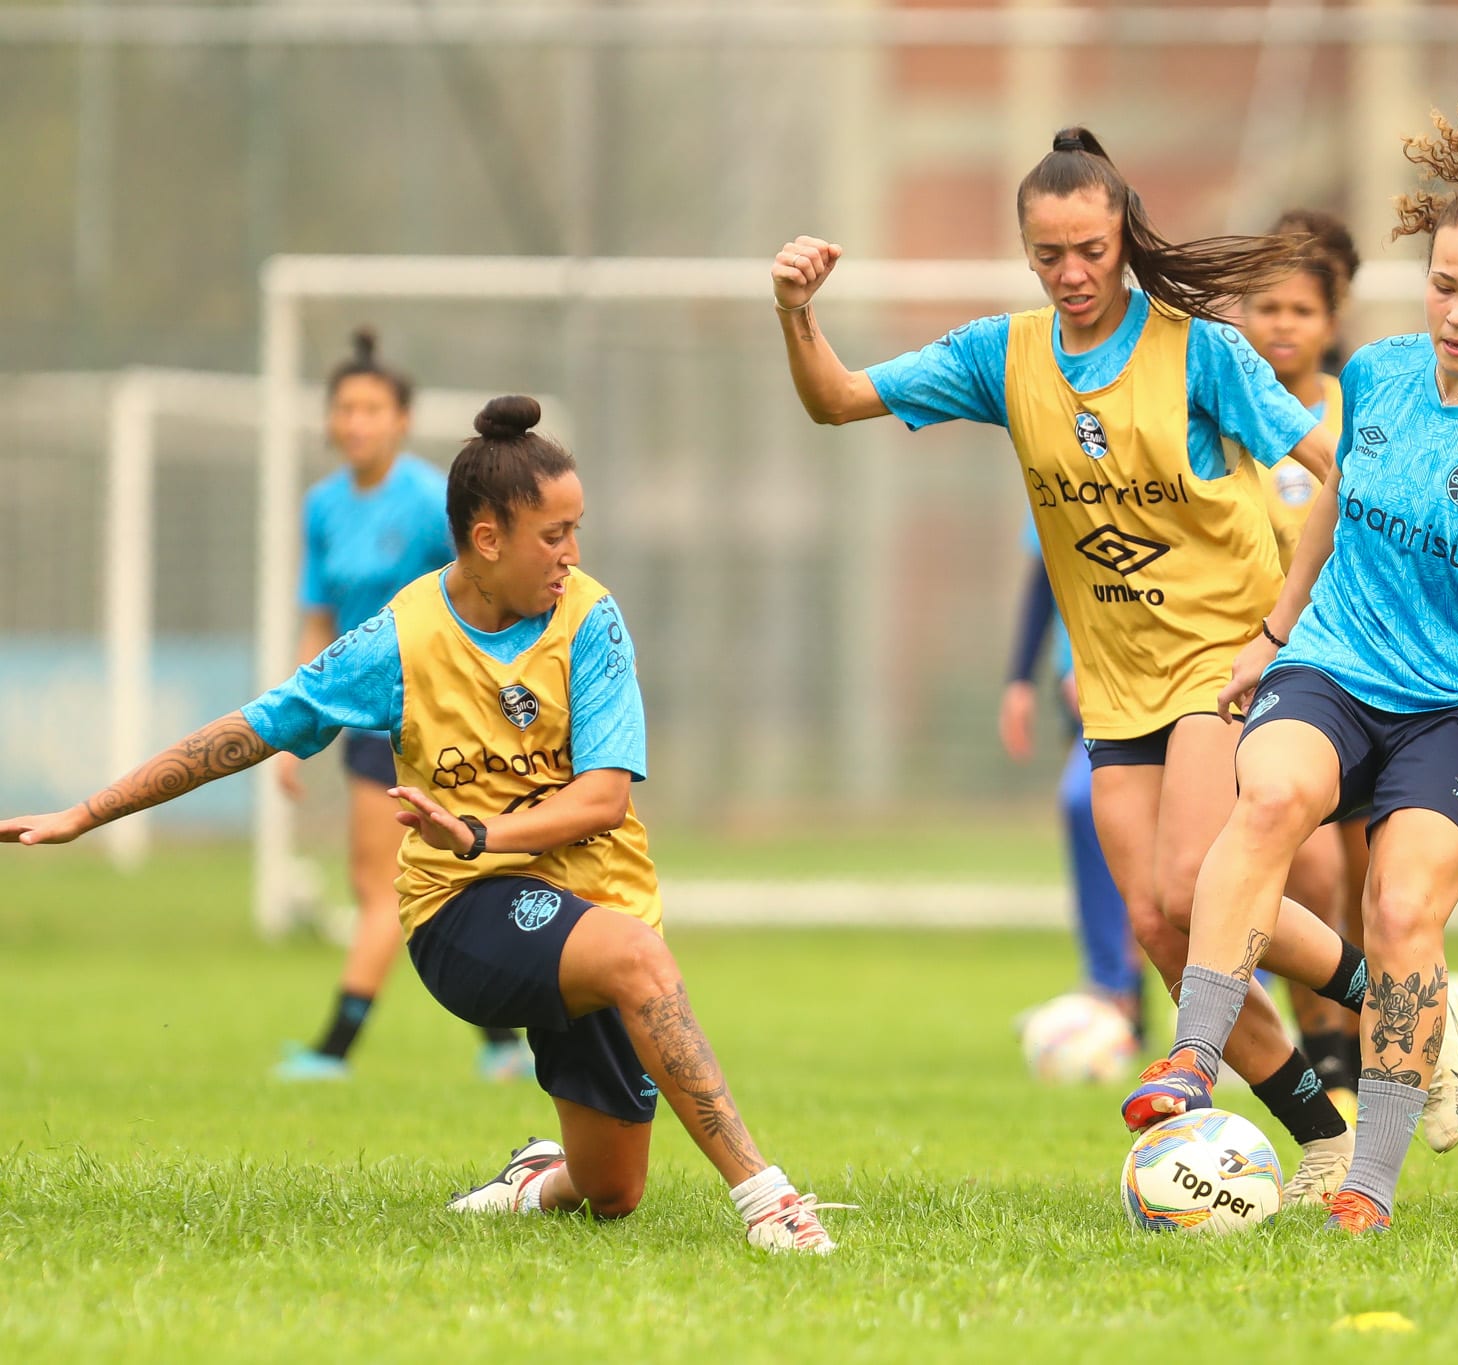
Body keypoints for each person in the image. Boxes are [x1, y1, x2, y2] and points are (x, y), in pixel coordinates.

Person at [3, 397, 842, 1253]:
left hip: (587, 901)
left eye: (576, 529)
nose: (572, 554)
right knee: (635, 957)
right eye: (553, 535)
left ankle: (534, 1181)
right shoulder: (400, 638)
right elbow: (255, 725)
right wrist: (90, 811)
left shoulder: (591, 618)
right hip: (462, 909)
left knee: (612, 1189)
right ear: (487, 539)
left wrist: (479, 828)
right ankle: (768, 1201)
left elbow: (603, 800)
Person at [773, 127, 1370, 1201]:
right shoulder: (999, 355)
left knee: (1197, 885)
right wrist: (795, 313)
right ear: (1026, 252)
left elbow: (1329, 466)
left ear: (1123, 236)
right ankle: (1320, 1133)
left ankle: (1390, 1002)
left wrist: (1316, 614)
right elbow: (834, 399)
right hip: (1115, 682)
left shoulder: (1199, 351)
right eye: (1048, 254)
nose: (1072, 273)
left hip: (1224, 659)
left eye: (1090, 249)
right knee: (1153, 921)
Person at [1123, 106, 1458, 1235]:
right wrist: (1271, 634)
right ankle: (1193, 1063)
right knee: (1272, 798)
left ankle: (1367, 1189)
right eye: (1442, 285)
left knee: (1402, 912)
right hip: (1337, 664)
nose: (1456, 312)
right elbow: (1335, 503)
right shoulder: (1382, 376)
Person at [273, 327, 529, 1083]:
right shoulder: (322, 506)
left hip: (434, 709)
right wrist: (294, 730)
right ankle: (500, 1042)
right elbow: (319, 619)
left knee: (400, 881)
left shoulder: (428, 501)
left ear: (402, 420)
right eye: (344, 408)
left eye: (371, 408)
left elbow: (482, 592)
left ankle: (334, 1049)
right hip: (363, 714)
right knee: (390, 880)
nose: (355, 421)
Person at [1234, 209, 1366, 1102]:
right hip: (1248, 673)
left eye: (1299, 309)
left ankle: (1366, 1052)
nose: (1280, 325)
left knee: (1360, 882)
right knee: (1304, 866)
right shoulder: (1218, 403)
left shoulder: (1357, 412)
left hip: (1356, 665)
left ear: (1332, 316)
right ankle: (1322, 1068)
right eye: (1263, 306)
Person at [998, 517, 1142, 1034]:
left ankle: (1237, 995)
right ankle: (1113, 991)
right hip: (1079, 691)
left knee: (1190, 837)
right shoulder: (1054, 443)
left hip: (1163, 679)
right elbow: (1045, 574)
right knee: (1089, 811)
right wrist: (1019, 679)